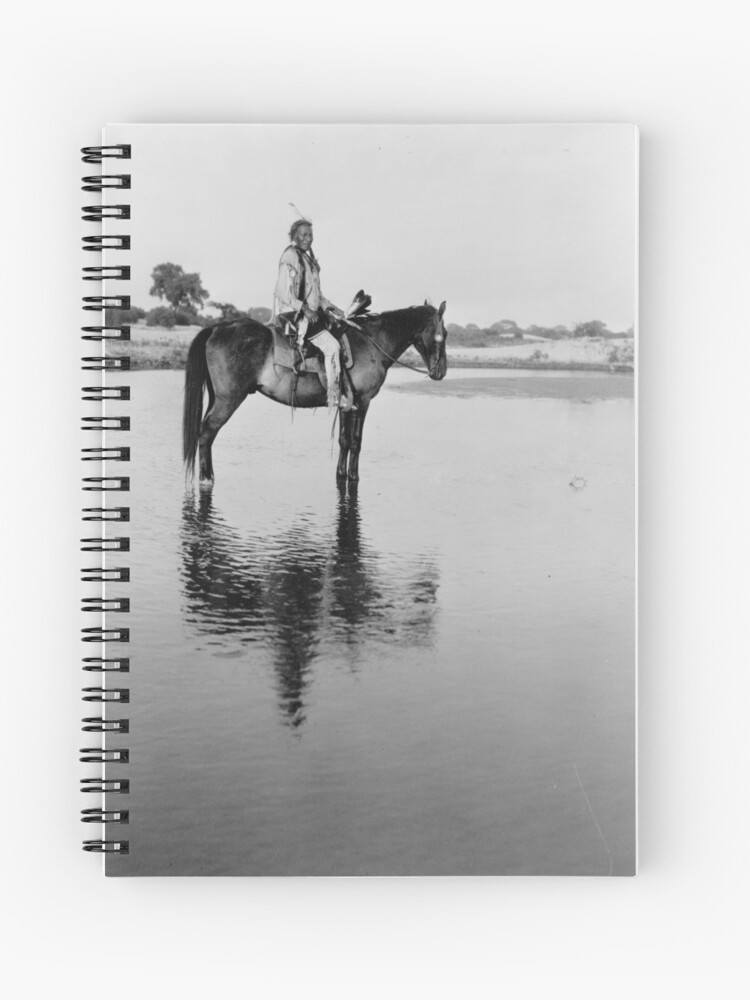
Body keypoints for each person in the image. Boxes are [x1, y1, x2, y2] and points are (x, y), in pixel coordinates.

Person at [272, 218, 355, 410]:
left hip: (310, 312)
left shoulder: (307, 260)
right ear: (294, 236)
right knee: (333, 347)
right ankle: (334, 396)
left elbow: (318, 296)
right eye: (303, 235)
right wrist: (305, 309)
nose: (308, 239)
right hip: (293, 314)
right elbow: (282, 292)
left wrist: (334, 309)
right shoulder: (290, 257)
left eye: (310, 235)